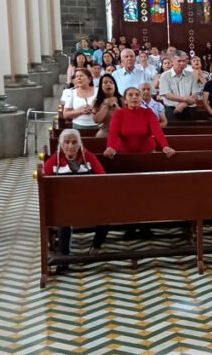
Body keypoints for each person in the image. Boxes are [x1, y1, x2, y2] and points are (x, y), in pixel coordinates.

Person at [44, 129, 107, 259]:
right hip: (65, 205)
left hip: (88, 202)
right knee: (64, 218)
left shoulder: (88, 156)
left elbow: (103, 179)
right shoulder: (54, 161)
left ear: (80, 145)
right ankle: (64, 257)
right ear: (61, 145)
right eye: (66, 142)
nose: (71, 146)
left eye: (74, 142)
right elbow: (44, 184)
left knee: (107, 215)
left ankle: (95, 247)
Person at [104, 87, 175, 158]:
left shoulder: (148, 112)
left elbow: (157, 131)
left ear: (140, 99)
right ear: (125, 100)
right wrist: (110, 147)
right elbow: (113, 132)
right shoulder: (118, 113)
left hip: (148, 154)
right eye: (130, 95)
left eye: (137, 95)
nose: (134, 97)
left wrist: (165, 146)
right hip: (123, 154)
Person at [160, 50, 203, 120]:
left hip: (190, 109)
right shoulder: (165, 76)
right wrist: (185, 99)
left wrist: (183, 104)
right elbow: (167, 95)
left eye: (184, 61)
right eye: (179, 61)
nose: (182, 63)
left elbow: (195, 94)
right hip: (172, 109)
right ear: (172, 62)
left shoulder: (191, 75)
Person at [92, 74, 123, 138]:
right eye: (105, 83)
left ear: (115, 86)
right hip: (104, 134)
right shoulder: (97, 101)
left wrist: (114, 105)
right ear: (101, 86)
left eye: (111, 82)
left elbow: (125, 118)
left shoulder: (122, 100)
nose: (108, 84)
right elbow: (97, 120)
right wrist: (106, 105)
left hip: (121, 134)